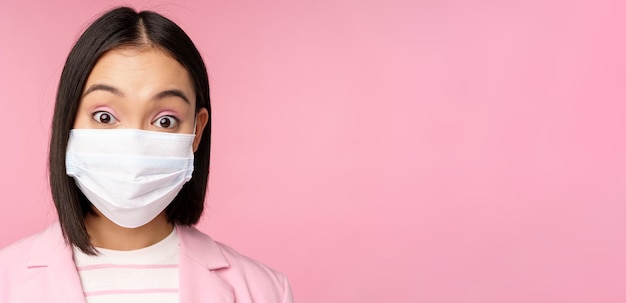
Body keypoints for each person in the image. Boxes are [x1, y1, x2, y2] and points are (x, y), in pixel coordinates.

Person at [0, 6, 293, 303]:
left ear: (197, 132)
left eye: (165, 121)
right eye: (104, 117)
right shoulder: (5, 280)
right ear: (69, 122)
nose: (134, 145)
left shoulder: (265, 291)